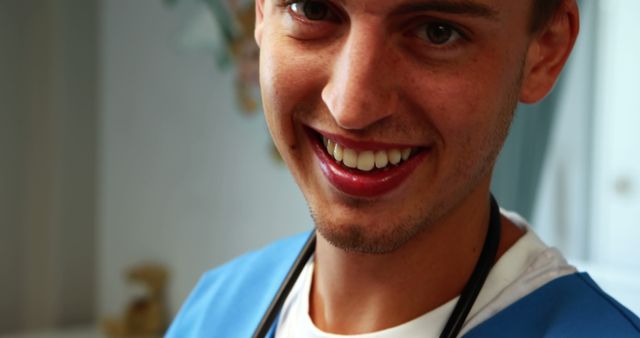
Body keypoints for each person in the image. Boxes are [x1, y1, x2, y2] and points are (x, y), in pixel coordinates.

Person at [166, 0, 640, 337]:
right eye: (313, 9)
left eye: (438, 30)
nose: (352, 106)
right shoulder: (217, 307)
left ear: (547, 51)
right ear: (261, 13)